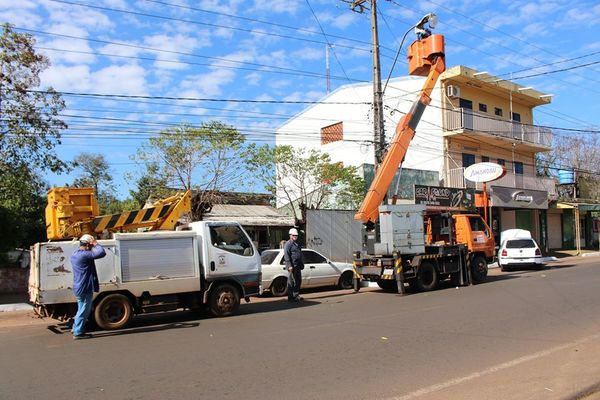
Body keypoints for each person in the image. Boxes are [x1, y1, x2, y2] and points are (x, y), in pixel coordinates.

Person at [70, 233, 106, 339]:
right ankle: (78, 332)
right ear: (86, 245)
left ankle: (75, 327)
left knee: (81, 308)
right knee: (85, 309)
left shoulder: (75, 254)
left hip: (78, 286)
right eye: (89, 246)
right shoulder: (84, 255)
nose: (91, 248)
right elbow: (101, 253)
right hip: (84, 287)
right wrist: (95, 243)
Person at [283, 228, 304, 302]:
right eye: (293, 235)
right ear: (290, 235)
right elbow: (286, 255)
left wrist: (301, 264)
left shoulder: (297, 244)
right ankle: (290, 297)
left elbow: (299, 255)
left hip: (297, 266)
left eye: (296, 235)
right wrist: (289, 266)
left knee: (298, 281)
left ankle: (296, 295)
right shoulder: (288, 244)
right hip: (292, 266)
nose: (295, 236)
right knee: (291, 282)